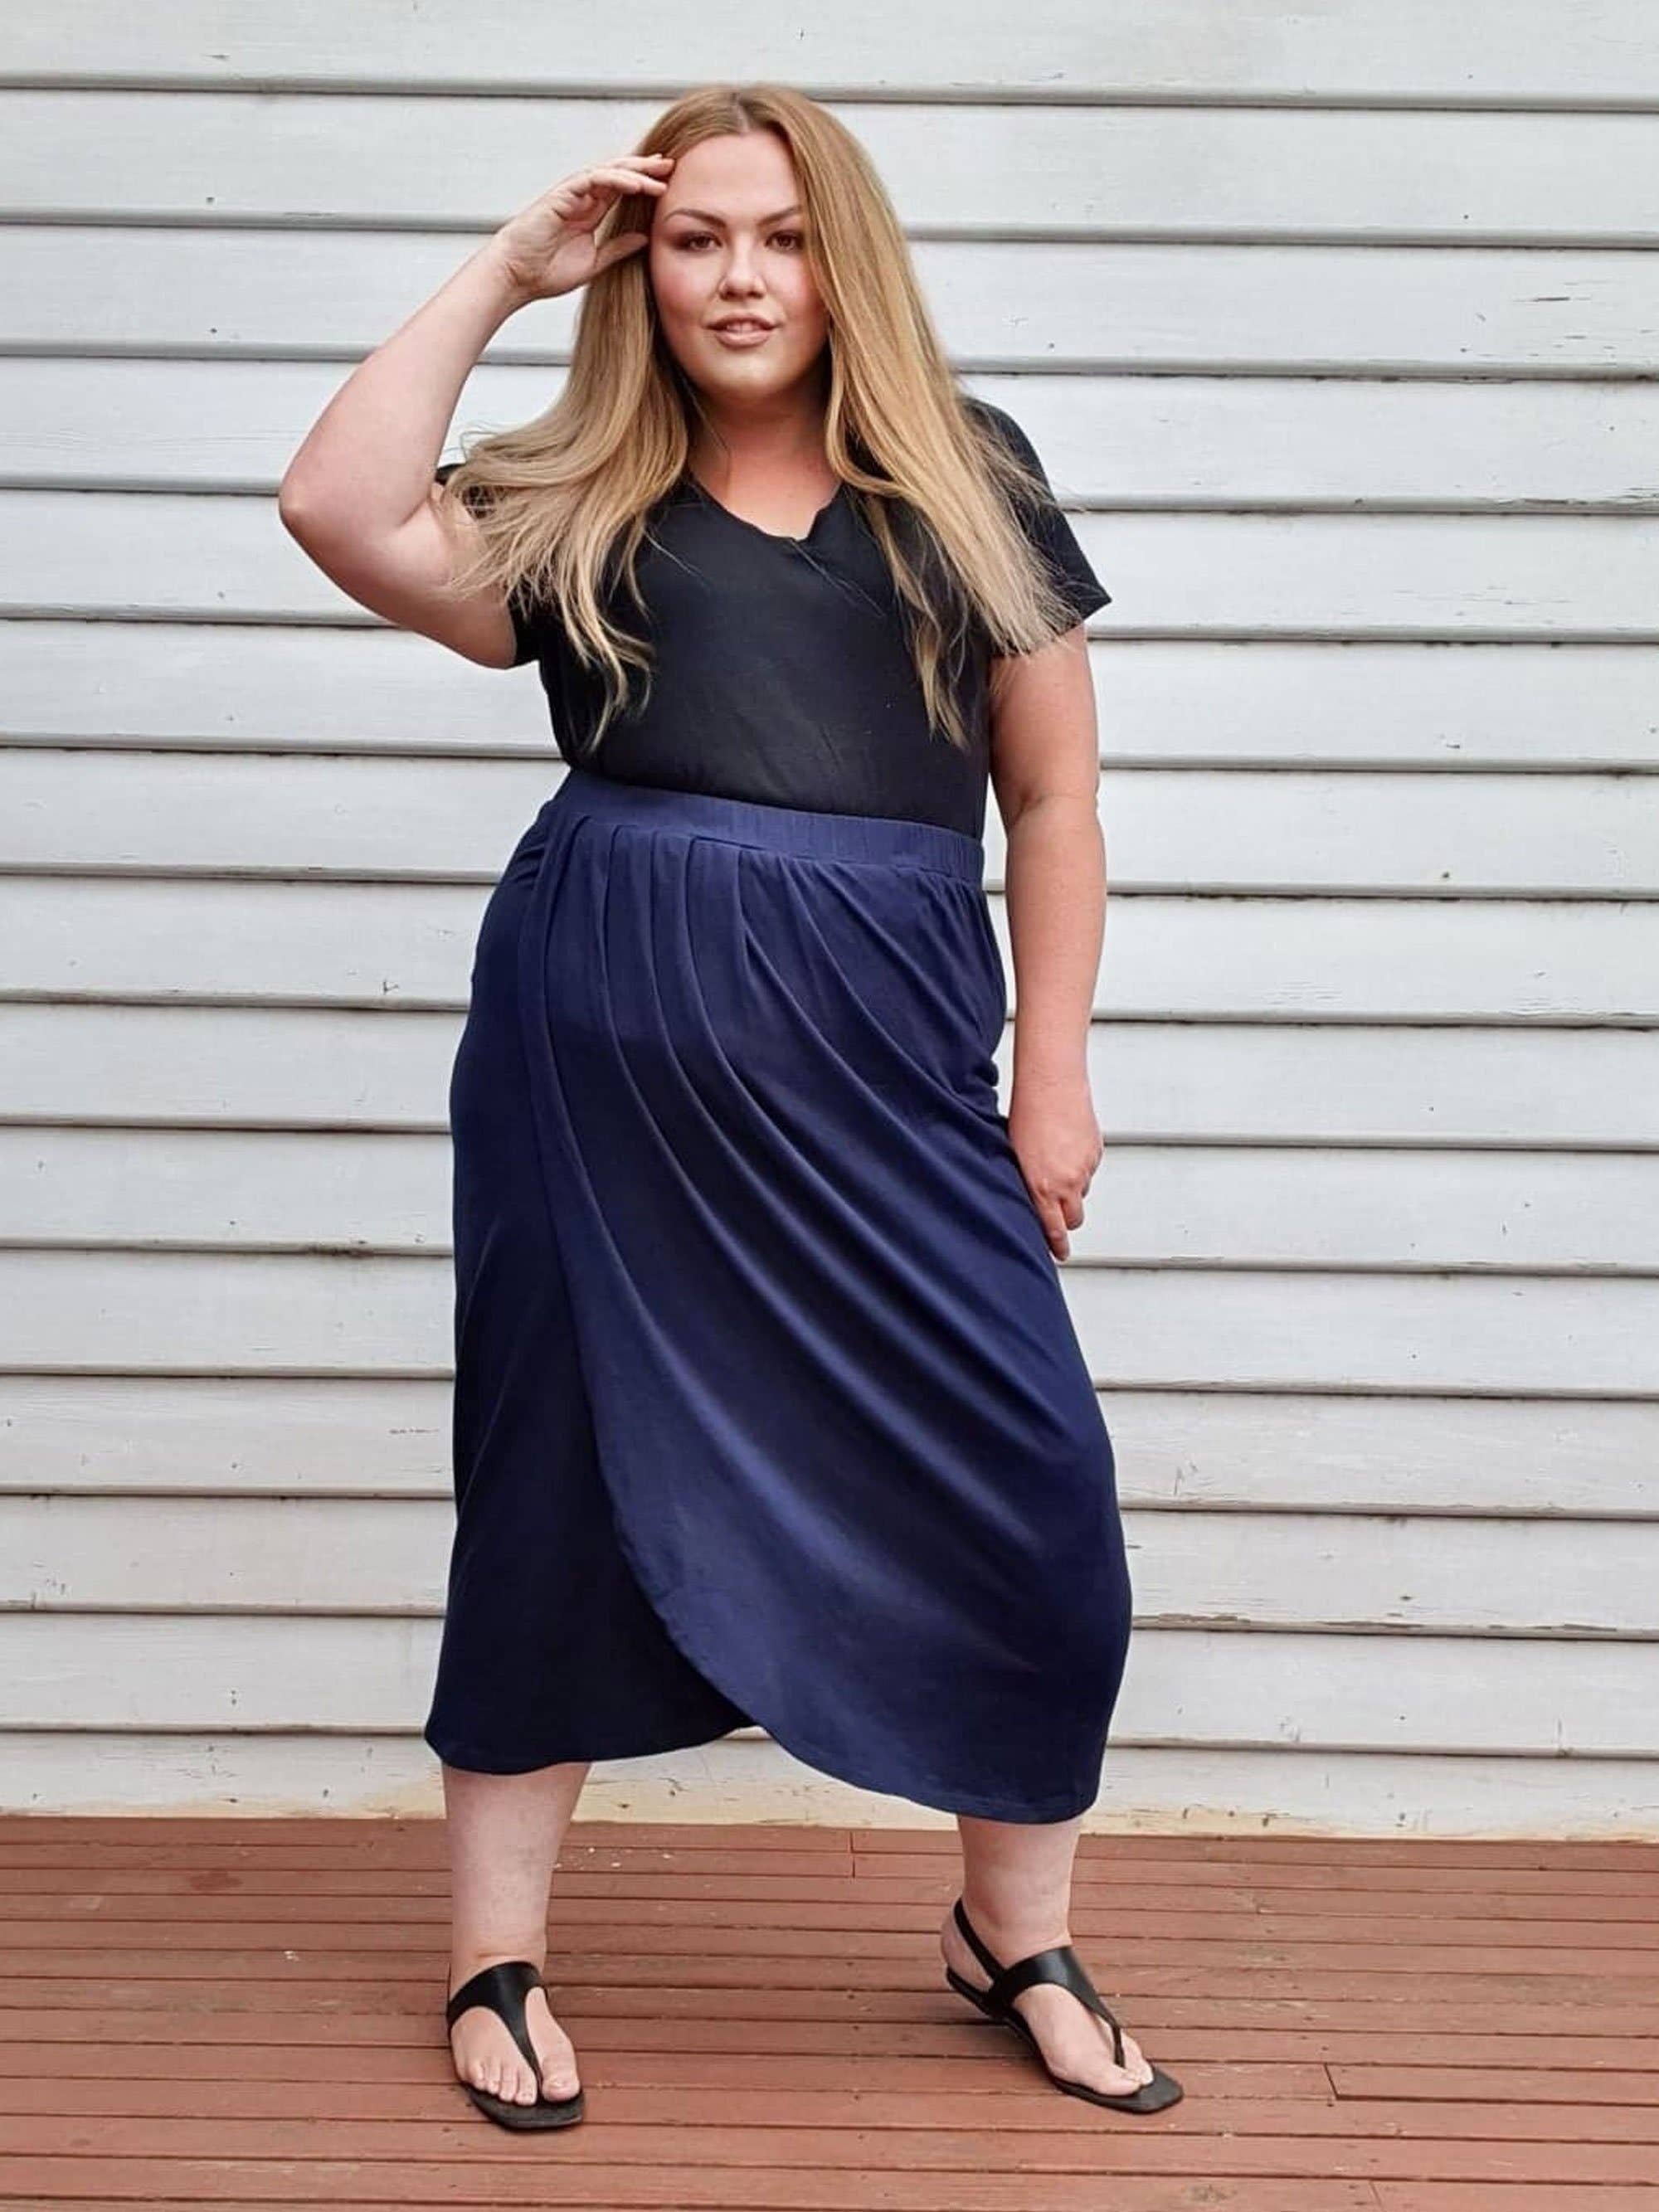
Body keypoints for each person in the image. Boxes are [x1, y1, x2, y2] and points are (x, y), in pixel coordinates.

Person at [280, 81, 1180, 2132]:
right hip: (587, 1075)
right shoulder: (572, 486)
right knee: (553, 1475)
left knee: (1027, 1483)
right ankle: (493, 1955)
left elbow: (1051, 794)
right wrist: (507, 272)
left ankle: (1014, 1935)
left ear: (840, 259)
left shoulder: (966, 475)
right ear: (645, 265)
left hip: (888, 1067)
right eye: (696, 239)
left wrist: (1051, 1070)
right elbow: (336, 508)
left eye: (780, 237)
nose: (741, 277)